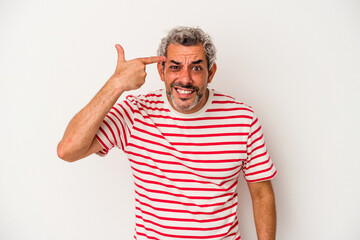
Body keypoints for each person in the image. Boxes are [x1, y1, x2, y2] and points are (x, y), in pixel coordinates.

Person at [57, 26, 277, 240]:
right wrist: (116, 84)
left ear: (211, 73)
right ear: (161, 71)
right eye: (175, 67)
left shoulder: (242, 119)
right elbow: (68, 150)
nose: (185, 78)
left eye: (197, 67)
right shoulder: (135, 112)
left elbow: (261, 192)